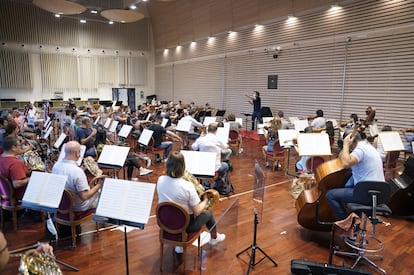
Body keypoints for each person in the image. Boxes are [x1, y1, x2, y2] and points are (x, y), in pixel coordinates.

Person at [156, 151, 225, 254]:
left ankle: (180, 247)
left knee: (178, 211)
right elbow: (197, 211)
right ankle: (214, 238)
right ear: (183, 166)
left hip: (165, 223)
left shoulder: (160, 180)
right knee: (209, 213)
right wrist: (205, 200)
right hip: (185, 226)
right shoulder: (187, 186)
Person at [326, 129, 385, 220]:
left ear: (350, 140)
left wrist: (345, 145)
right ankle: (355, 224)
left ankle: (347, 224)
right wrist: (345, 147)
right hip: (378, 192)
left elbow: (345, 164)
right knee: (348, 185)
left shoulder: (360, 150)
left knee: (330, 195)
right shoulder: (367, 146)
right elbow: (342, 158)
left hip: (366, 193)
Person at [52, 141, 102, 211]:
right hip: (77, 207)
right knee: (102, 194)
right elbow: (85, 196)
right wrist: (99, 185)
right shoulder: (77, 171)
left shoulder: (56, 166)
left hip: (61, 204)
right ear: (77, 153)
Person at [0, 136, 30, 201]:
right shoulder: (15, 163)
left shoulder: (1, 158)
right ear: (13, 148)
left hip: (3, 194)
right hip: (18, 197)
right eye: (19, 146)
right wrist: (31, 178)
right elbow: (17, 184)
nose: (20, 148)